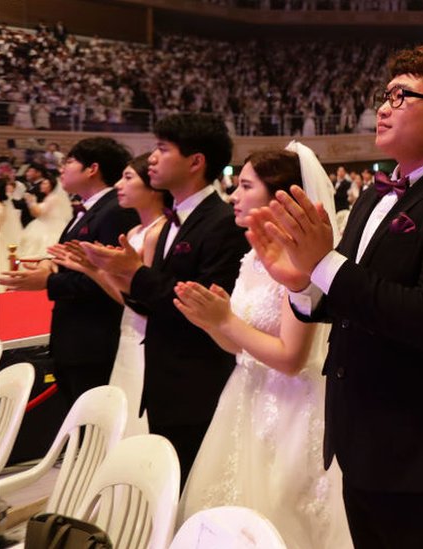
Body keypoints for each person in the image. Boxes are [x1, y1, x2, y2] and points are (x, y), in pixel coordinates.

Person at [246, 45, 423, 548]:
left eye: (401, 96)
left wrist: (322, 264)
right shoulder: (372, 194)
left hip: (422, 446)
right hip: (359, 434)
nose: (382, 107)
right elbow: (347, 298)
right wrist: (299, 282)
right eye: (384, 95)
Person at [177, 145, 351, 549]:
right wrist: (210, 321)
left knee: (279, 515)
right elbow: (238, 346)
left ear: (280, 197)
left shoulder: (300, 261)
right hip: (246, 394)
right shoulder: (250, 258)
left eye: (245, 186)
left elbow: (291, 358)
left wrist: (226, 321)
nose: (233, 196)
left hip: (290, 408)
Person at [80, 114, 249, 486]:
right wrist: (115, 272)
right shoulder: (176, 219)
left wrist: (135, 272)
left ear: (195, 161)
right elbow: (151, 301)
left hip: (196, 383)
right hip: (164, 382)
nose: (151, 159)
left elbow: (201, 305)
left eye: (162, 149)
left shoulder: (221, 223)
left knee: (190, 487)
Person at [0, 138, 138, 405]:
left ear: (92, 169)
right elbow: (76, 261)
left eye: (70, 161)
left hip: (93, 336)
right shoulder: (90, 208)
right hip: (75, 333)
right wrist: (50, 264)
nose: (62, 168)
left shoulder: (114, 211)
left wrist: (48, 280)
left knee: (90, 419)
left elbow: (106, 277)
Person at [49, 153, 169, 436]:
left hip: (142, 332)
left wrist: (94, 271)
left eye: (128, 178)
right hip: (126, 330)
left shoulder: (156, 232)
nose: (118, 185)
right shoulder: (135, 230)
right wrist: (91, 268)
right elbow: (124, 295)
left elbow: (138, 300)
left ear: (152, 186)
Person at [17, 168, 72, 258]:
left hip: (50, 226)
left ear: (52, 186)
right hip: (41, 223)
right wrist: (31, 203)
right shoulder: (47, 197)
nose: (42, 185)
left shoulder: (53, 198)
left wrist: (31, 202)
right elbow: (34, 214)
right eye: (42, 183)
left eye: (45, 183)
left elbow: (40, 213)